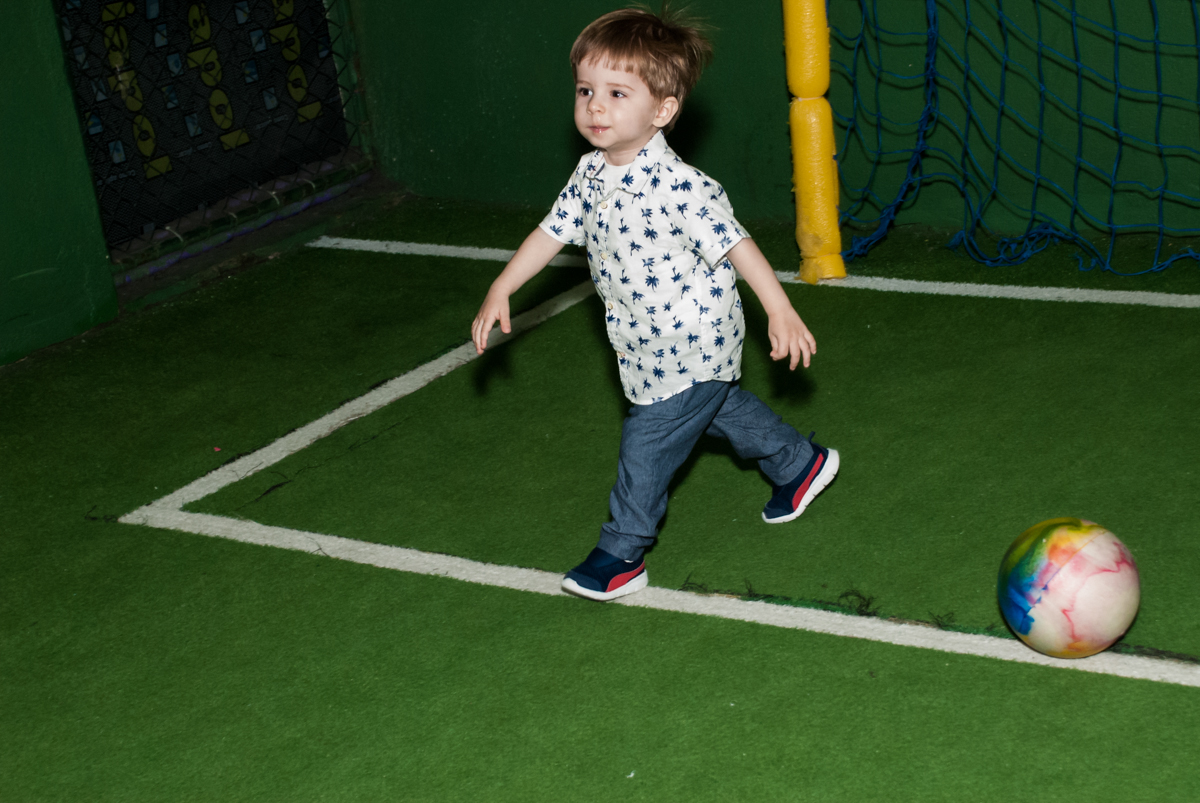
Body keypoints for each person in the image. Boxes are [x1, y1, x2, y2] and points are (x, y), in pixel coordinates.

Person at [471, 4, 838, 602]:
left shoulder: (678, 186)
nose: (595, 106)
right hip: (641, 342)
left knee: (649, 440)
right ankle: (799, 464)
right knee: (718, 410)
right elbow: (551, 232)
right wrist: (501, 285)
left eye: (618, 93)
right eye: (587, 89)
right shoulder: (592, 173)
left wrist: (780, 308)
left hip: (692, 338)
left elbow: (735, 245)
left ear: (663, 111)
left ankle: (622, 552)